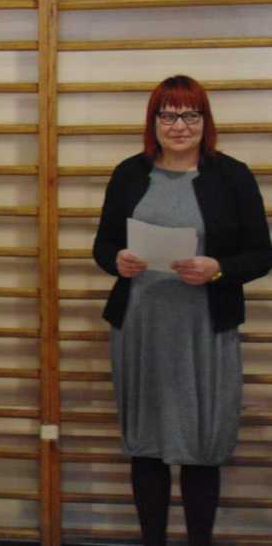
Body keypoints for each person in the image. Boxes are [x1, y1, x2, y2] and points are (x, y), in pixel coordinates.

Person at [92, 75, 272, 546]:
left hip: (205, 329)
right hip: (141, 328)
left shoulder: (232, 176)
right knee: (147, 445)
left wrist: (218, 268)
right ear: (153, 121)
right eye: (168, 115)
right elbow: (103, 244)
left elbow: (261, 254)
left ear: (205, 121)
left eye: (190, 115)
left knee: (202, 446)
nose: (179, 126)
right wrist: (117, 260)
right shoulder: (129, 173)